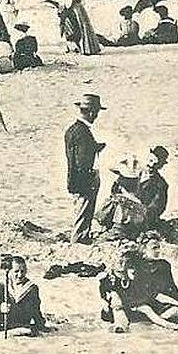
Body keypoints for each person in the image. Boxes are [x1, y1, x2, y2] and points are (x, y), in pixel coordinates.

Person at [99, 247, 178, 332]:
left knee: (148, 309)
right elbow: (106, 294)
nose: (121, 266)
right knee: (119, 310)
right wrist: (106, 302)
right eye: (119, 263)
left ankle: (166, 324)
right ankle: (120, 327)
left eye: (125, 264)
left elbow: (155, 295)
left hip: (136, 306)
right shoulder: (111, 280)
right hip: (120, 308)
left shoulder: (136, 279)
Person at [66, 94, 106, 244]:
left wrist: (95, 147)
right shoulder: (83, 133)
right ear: (91, 112)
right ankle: (79, 242)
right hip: (84, 181)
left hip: (75, 179)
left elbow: (75, 155)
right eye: (96, 113)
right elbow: (82, 161)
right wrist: (90, 179)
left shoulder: (73, 129)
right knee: (83, 214)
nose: (96, 117)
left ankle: (81, 238)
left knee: (81, 212)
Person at [138, 146, 171, 234]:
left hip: (143, 220)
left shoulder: (161, 184)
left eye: (156, 164)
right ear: (148, 158)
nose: (151, 165)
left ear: (161, 165)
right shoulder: (133, 173)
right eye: (151, 161)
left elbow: (156, 208)